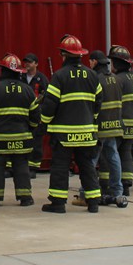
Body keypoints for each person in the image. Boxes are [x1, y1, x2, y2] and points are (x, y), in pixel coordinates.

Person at [39, 35, 102, 214]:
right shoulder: (92, 75)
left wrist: (44, 122)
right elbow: (99, 102)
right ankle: (93, 202)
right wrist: (91, 118)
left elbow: (50, 104)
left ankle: (58, 203)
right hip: (87, 133)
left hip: (63, 134)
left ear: (63, 54)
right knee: (87, 166)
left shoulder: (59, 76)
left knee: (60, 167)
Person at [0, 53, 40, 207]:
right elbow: (36, 116)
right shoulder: (27, 90)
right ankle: (25, 198)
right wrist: (31, 129)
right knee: (21, 166)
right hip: (22, 137)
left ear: (2, 70)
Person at [89, 50, 127, 208]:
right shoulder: (116, 79)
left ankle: (88, 190)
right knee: (113, 156)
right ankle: (117, 190)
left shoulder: (96, 80)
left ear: (95, 62)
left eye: (90, 61)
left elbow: (93, 104)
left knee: (91, 159)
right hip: (115, 125)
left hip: (100, 127)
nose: (89, 64)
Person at [108, 45, 133, 196]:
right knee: (126, 153)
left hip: (121, 123)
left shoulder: (117, 79)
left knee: (113, 153)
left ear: (116, 63)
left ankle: (112, 183)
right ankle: (126, 184)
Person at [22, 53, 49, 176]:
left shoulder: (41, 79)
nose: (27, 64)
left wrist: (40, 112)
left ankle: (33, 168)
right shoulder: (20, 77)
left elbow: (46, 97)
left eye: (30, 62)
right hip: (22, 114)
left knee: (36, 141)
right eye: (26, 62)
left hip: (37, 114)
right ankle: (16, 166)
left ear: (36, 64)